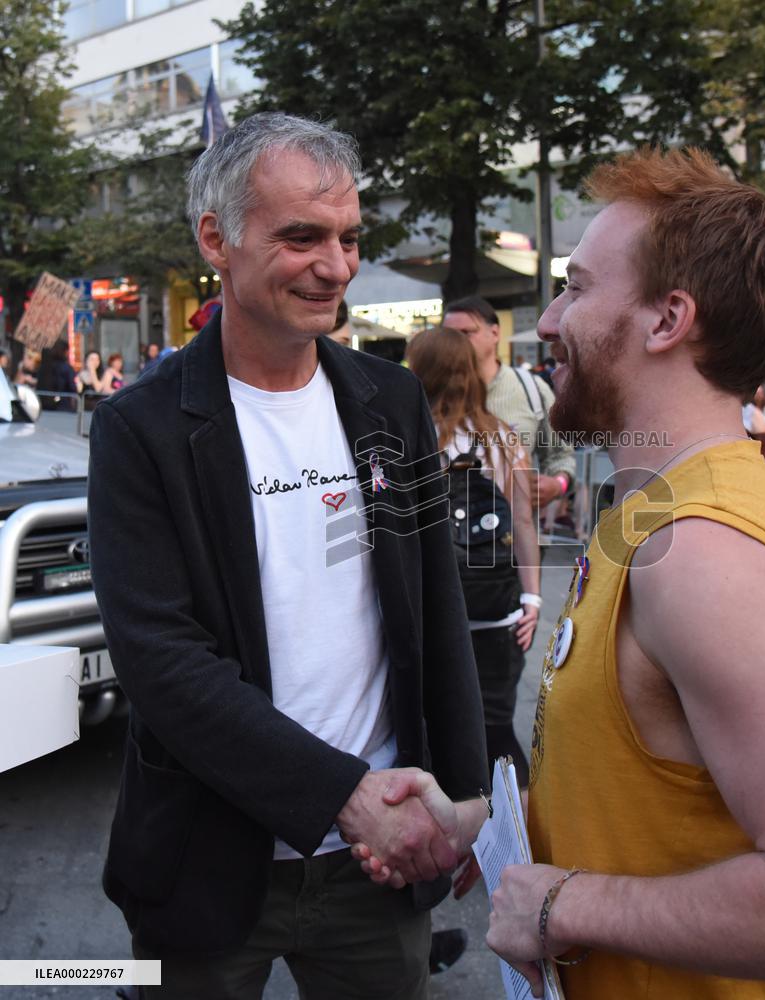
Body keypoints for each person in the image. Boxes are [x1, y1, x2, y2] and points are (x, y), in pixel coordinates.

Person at [358, 148, 765, 1000]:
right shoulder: (652, 512)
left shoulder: (702, 554)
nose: (547, 323)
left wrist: (565, 906)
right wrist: (484, 828)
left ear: (666, 321)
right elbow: (652, 794)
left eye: (577, 289)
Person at [87, 112, 489, 1000]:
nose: (337, 266)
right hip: (208, 861)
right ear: (216, 240)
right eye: (302, 236)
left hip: (377, 869)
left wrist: (467, 799)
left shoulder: (391, 400)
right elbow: (162, 664)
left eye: (349, 238)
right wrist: (346, 798)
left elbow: (433, 605)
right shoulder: (140, 427)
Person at [407, 326, 540, 782]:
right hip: (497, 612)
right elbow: (523, 522)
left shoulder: (409, 442)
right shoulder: (502, 438)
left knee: (436, 739)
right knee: (497, 736)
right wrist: (533, 600)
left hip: (431, 618)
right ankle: (514, 839)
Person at [442, 296, 576, 509]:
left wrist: (557, 484)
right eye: (449, 335)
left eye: (466, 333)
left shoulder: (531, 389)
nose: (456, 342)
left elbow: (561, 455)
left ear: (494, 333)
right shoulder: (431, 394)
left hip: (513, 534)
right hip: (448, 535)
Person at [37, 339, 78, 411]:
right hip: (63, 405)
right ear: (65, 351)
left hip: (44, 403)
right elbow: (72, 387)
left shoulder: (44, 366)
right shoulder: (66, 368)